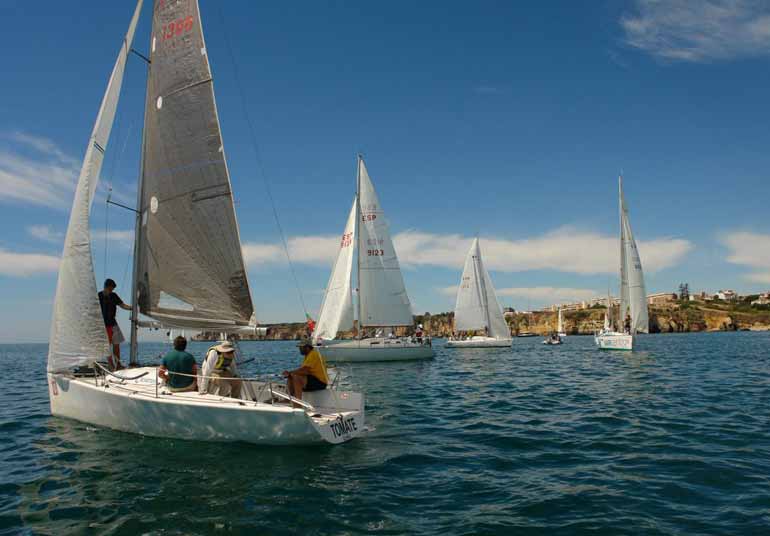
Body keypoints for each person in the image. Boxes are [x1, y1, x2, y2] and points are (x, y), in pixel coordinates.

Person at [98, 278, 131, 370]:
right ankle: (111, 365)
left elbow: (122, 305)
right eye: (110, 288)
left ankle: (118, 364)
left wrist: (132, 308)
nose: (111, 290)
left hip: (113, 323)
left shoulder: (114, 296)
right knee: (107, 346)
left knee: (117, 344)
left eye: (112, 289)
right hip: (104, 325)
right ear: (106, 287)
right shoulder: (99, 296)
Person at [282, 338, 329, 404]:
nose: (299, 349)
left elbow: (305, 371)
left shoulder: (313, 354)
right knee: (291, 376)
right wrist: (290, 374)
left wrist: (290, 372)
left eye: (301, 347)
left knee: (296, 377)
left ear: (307, 347)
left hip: (320, 383)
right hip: (314, 381)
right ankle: (287, 399)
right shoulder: (308, 355)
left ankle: (298, 403)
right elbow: (304, 370)